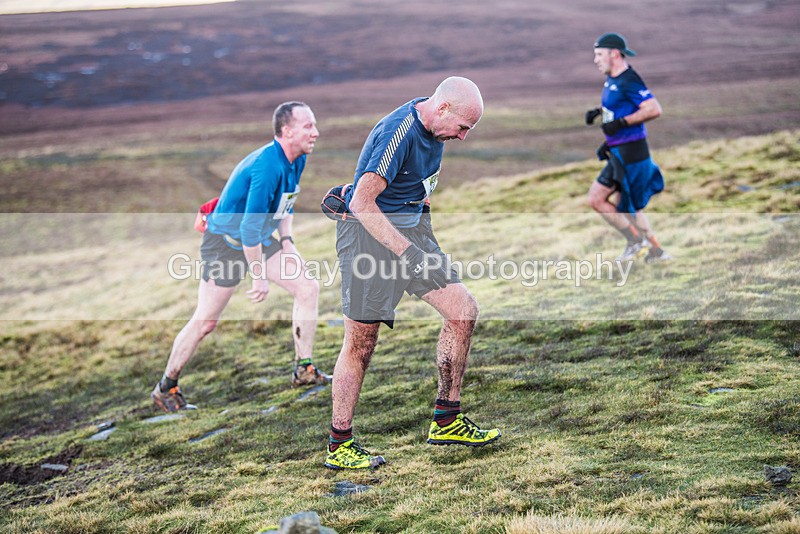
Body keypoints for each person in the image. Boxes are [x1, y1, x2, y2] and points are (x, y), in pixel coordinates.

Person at [323, 77, 501, 471]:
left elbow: (420, 183)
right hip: (369, 239)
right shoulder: (398, 132)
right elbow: (362, 203)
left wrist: (423, 233)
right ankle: (339, 444)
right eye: (463, 127)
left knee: (462, 311)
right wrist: (409, 254)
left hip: (413, 235)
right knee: (361, 344)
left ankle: (447, 421)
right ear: (443, 108)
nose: (463, 137)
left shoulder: (437, 127)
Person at [151, 101, 330, 412]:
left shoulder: (297, 158)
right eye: (308, 126)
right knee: (206, 321)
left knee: (307, 287)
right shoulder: (267, 166)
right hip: (225, 243)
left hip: (256, 238)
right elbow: (248, 228)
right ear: (287, 131)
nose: (315, 132)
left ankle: (304, 369)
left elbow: (285, 203)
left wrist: (287, 242)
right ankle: (166, 387)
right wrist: (259, 277)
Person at [585, 32, 672, 263]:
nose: (596, 60)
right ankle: (646, 246)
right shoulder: (613, 79)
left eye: (599, 54)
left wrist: (621, 123)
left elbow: (653, 109)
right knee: (599, 199)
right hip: (619, 151)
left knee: (627, 206)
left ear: (614, 54)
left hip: (632, 153)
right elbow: (621, 104)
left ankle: (650, 248)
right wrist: (600, 113)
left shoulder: (629, 80)